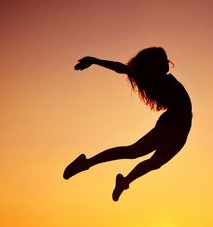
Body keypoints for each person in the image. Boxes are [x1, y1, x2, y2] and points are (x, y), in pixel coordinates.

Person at [63, 47, 192, 201]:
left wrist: (94, 61)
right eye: (163, 60)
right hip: (173, 123)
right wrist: (94, 60)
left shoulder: (162, 79)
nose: (167, 63)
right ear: (155, 64)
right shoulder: (152, 77)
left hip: (183, 128)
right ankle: (86, 163)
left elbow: (124, 69)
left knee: (154, 163)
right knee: (133, 152)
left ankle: (124, 182)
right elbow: (121, 68)